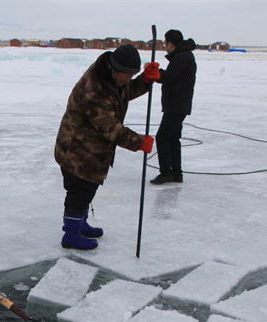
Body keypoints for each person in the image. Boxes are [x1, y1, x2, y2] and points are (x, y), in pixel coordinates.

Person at [54, 44, 159, 250]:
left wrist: (144, 81)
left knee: (87, 189)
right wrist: (139, 142)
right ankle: (71, 233)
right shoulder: (95, 88)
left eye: (132, 75)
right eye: (126, 75)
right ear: (114, 68)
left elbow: (123, 92)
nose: (128, 80)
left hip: (91, 148)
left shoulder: (111, 78)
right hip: (77, 148)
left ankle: (80, 224)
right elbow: (109, 127)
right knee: (79, 190)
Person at [150, 29, 197, 185]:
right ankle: (176, 173)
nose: (165, 46)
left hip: (177, 105)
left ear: (170, 43)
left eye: (165, 43)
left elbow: (169, 77)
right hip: (177, 104)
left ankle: (166, 173)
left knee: (163, 137)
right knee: (172, 138)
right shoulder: (183, 55)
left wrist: (154, 72)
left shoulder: (182, 57)